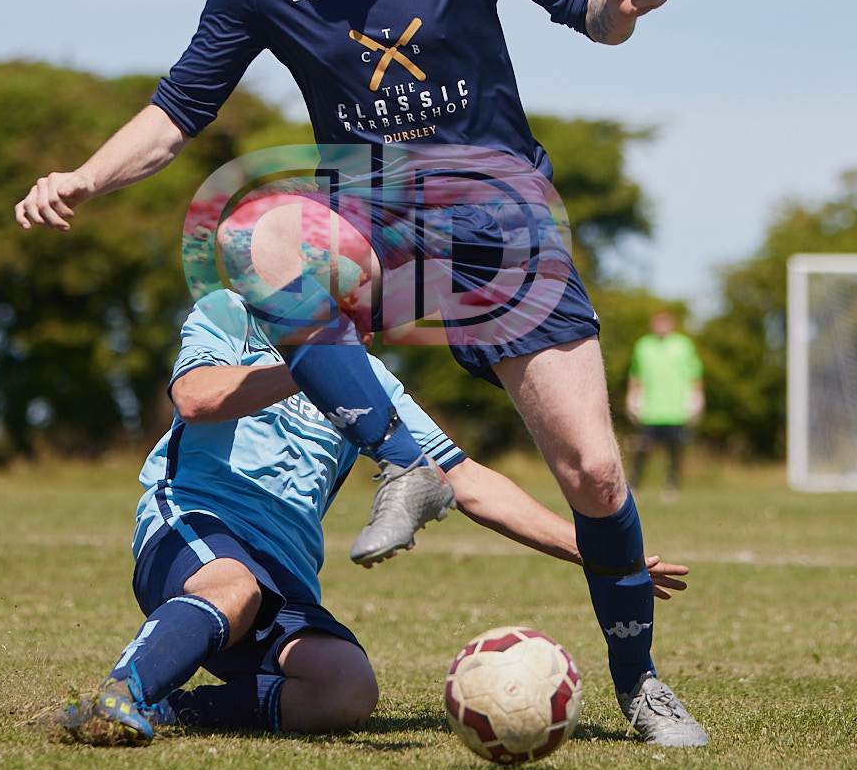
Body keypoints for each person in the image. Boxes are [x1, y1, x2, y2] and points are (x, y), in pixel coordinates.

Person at [16, 0, 708, 744]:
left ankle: (642, 685)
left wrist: (622, 3)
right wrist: (87, 176)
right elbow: (179, 109)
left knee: (594, 473)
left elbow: (587, 8)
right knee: (259, 235)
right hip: (374, 213)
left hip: (503, 220)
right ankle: (403, 465)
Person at [59, 288, 693, 746]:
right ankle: (120, 695)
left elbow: (465, 481)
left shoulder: (373, 384)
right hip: (196, 518)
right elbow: (195, 398)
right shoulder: (232, 313)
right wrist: (311, 369)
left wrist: (596, 550)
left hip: (286, 567)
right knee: (234, 588)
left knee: (344, 689)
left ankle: (175, 708)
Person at [627, 311, 704, 494]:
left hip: (676, 411)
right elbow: (635, 374)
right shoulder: (643, 345)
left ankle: (672, 486)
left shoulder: (684, 345)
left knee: (675, 453)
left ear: (672, 324)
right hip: (650, 411)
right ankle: (634, 485)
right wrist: (632, 397)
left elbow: (695, 373)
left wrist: (697, 398)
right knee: (642, 450)